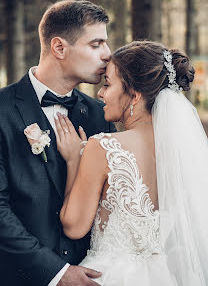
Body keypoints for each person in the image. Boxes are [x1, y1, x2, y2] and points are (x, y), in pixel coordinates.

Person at [55, 40, 208, 285]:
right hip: (167, 275)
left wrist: (74, 160)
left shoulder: (103, 147)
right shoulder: (181, 152)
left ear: (134, 95)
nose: (101, 93)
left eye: (108, 84)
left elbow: (74, 227)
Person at [0, 0, 116, 286]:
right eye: (96, 44)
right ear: (59, 47)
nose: (107, 54)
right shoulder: (2, 110)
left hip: (92, 274)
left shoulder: (101, 116)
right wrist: (56, 271)